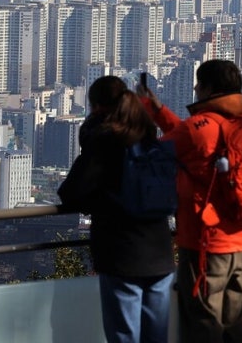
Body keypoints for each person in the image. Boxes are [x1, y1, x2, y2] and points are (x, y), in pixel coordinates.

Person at [139, 59, 242, 343]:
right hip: (241, 244)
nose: (195, 89)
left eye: (199, 84)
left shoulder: (197, 129)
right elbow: (194, 140)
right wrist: (156, 110)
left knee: (202, 327)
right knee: (235, 330)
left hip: (205, 246)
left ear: (209, 89)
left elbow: (152, 155)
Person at [58, 75, 175, 343]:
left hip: (122, 255)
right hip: (160, 252)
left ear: (97, 108)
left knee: (125, 335)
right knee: (157, 336)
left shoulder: (105, 142)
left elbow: (71, 193)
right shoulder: (149, 139)